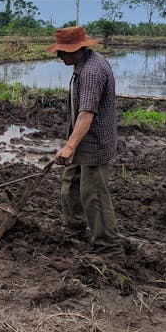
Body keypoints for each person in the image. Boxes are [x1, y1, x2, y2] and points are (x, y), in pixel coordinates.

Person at [47, 25, 123, 257]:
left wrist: (70, 147)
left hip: (94, 143)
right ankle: (74, 227)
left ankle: (108, 246)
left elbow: (86, 113)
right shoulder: (84, 64)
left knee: (94, 194)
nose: (59, 56)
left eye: (62, 51)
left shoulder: (91, 72)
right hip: (82, 140)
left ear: (76, 49)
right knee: (71, 185)